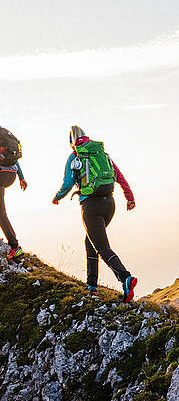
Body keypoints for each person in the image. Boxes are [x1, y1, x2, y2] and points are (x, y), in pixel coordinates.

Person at [53, 125, 137, 303]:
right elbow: (119, 176)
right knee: (90, 240)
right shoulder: (102, 154)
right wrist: (129, 198)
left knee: (102, 247)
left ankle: (125, 278)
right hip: (110, 204)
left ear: (71, 141)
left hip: (91, 206)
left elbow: (68, 183)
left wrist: (58, 197)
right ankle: (92, 285)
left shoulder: (75, 156)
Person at [0, 126, 27, 259]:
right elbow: (14, 160)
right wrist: (21, 177)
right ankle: (14, 246)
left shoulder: (3, 137)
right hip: (11, 175)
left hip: (2, 173)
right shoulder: (6, 134)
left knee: (1, 213)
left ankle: (15, 246)